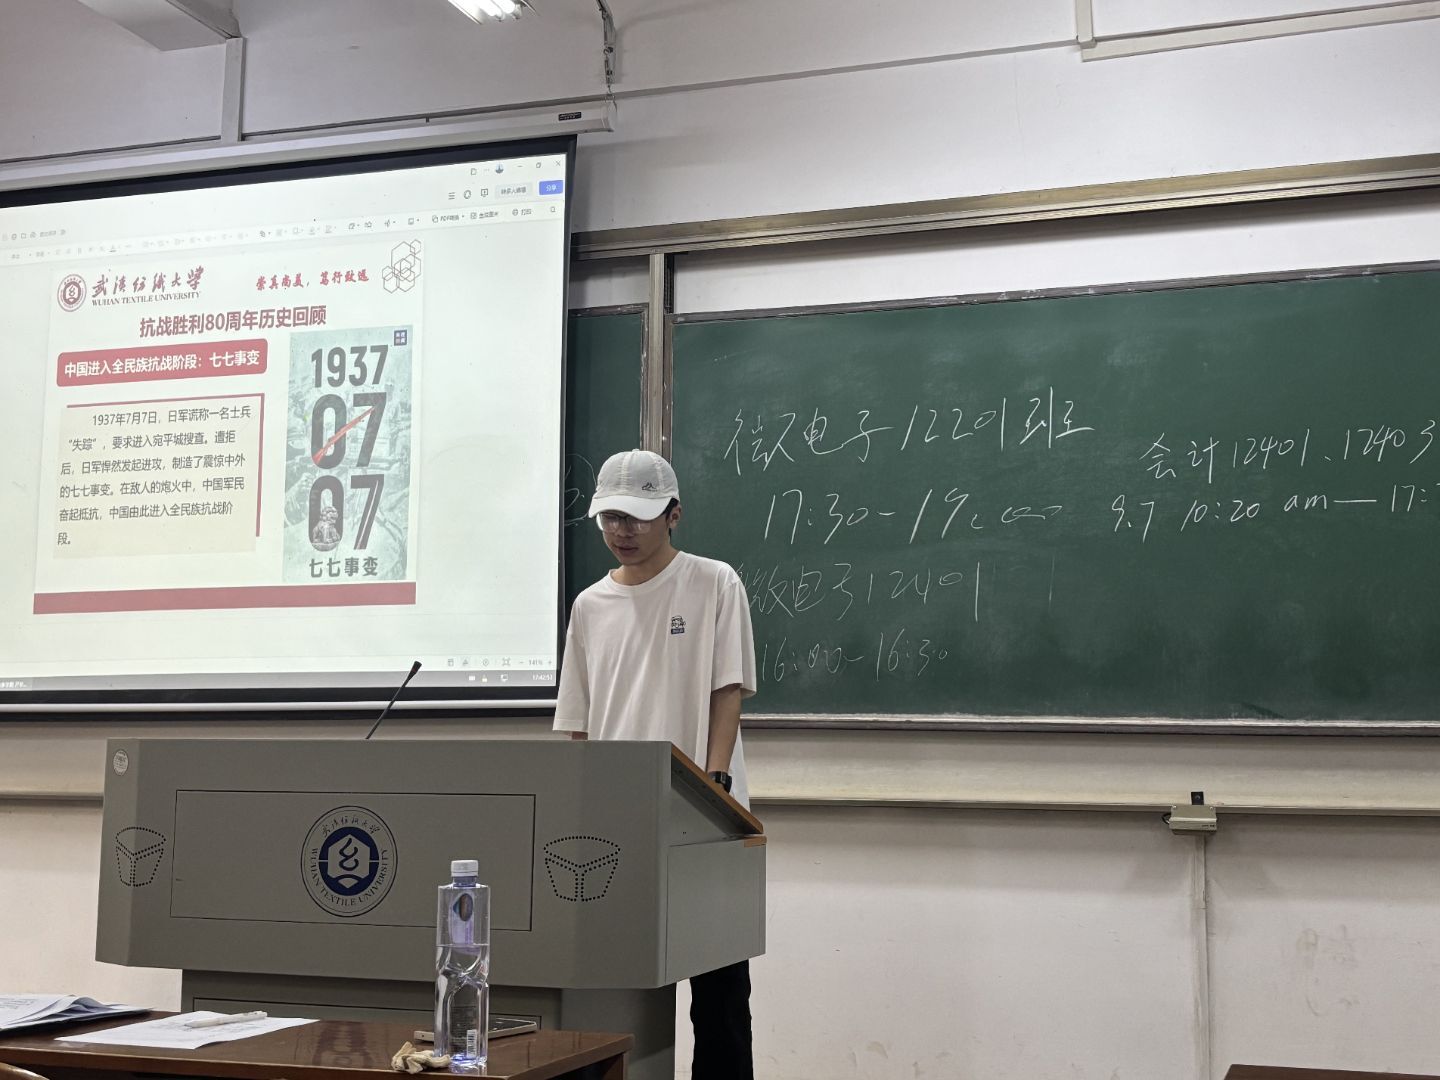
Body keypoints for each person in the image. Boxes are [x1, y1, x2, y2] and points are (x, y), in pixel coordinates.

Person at [554, 447, 757, 1080]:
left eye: (638, 517)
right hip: (616, 825)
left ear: (673, 514)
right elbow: (577, 724)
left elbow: (728, 689)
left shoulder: (713, 582)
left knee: (719, 998)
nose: (623, 531)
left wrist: (714, 785)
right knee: (612, 992)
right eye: (611, 517)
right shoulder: (590, 605)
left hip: (706, 819)